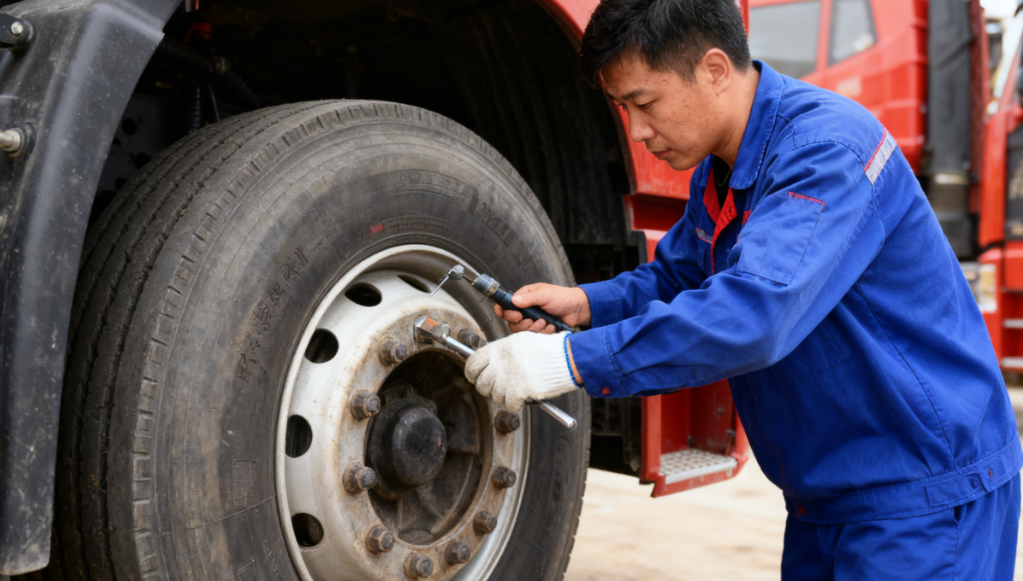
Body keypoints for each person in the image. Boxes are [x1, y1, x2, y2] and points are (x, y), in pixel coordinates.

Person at [462, 0, 1023, 578]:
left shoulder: (825, 152)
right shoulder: (721, 167)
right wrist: (583, 305)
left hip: (921, 495)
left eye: (644, 104)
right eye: (623, 108)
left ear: (713, 69)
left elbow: (755, 314)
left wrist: (567, 361)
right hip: (826, 496)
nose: (637, 131)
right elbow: (680, 276)